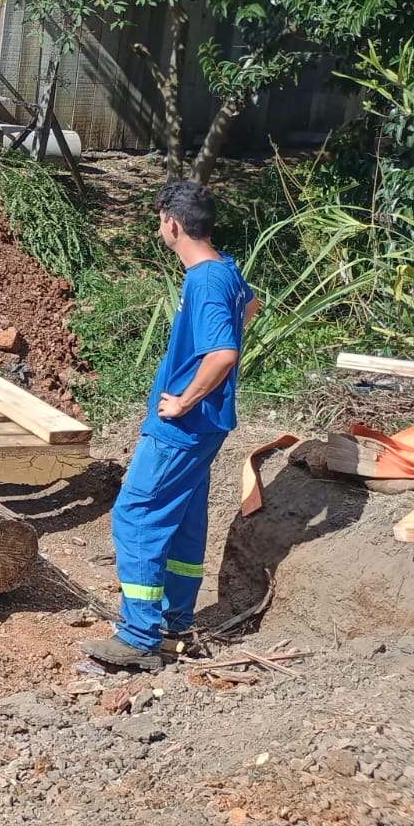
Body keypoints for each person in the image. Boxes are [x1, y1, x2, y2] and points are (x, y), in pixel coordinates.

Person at [82, 180, 259, 671]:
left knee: (136, 515)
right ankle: (175, 620)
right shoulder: (225, 268)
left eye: (160, 220)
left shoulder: (203, 280)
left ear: (172, 223)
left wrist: (182, 401)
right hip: (210, 425)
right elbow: (250, 305)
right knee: (181, 517)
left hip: (183, 427)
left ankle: (139, 637)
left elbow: (223, 352)